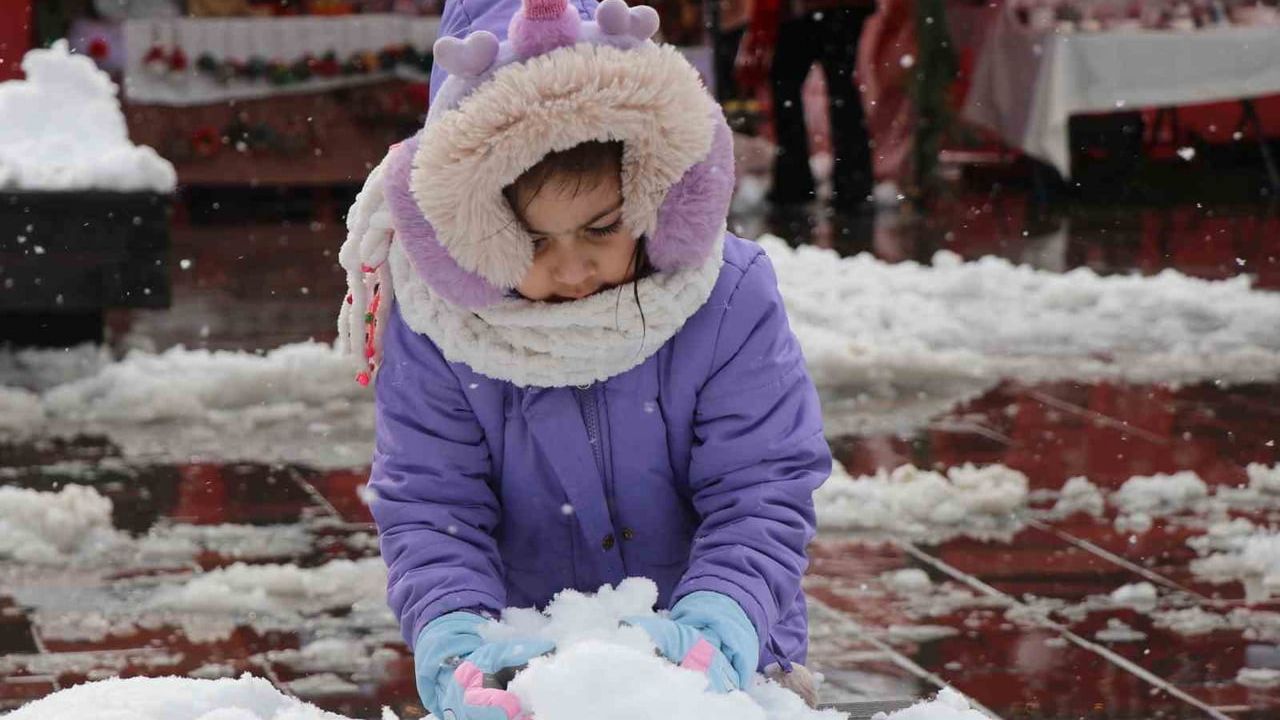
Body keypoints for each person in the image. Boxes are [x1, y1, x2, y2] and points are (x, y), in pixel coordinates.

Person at [335, 0, 832, 718]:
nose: (572, 269)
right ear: (474, 230)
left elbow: (761, 489)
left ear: (658, 194)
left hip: (728, 658)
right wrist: (458, 641)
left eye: (602, 227)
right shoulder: (440, 325)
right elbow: (434, 507)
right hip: (530, 664)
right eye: (534, 241)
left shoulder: (726, 299)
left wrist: (723, 624)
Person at [745, 0, 877, 216]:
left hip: (814, 10)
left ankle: (796, 183)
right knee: (840, 88)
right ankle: (851, 185)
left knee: (792, 84)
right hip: (838, 8)